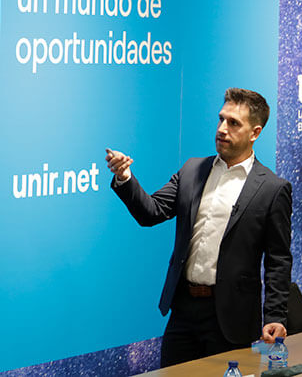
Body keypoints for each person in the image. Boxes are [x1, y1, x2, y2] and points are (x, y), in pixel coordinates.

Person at [106, 88, 291, 367]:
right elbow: (151, 212)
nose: (222, 129)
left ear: (255, 133)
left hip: (232, 318)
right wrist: (124, 176)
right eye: (221, 119)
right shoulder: (193, 170)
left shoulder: (272, 189)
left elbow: (278, 260)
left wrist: (275, 316)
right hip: (183, 312)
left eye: (233, 123)